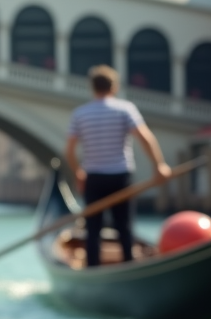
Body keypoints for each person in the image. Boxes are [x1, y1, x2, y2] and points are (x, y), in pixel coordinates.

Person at [64, 65, 170, 266]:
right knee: (124, 227)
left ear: (92, 88)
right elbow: (145, 138)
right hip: (120, 176)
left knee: (92, 229)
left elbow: (69, 151)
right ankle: (128, 264)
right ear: (114, 87)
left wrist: (79, 173)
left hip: (93, 178)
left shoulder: (80, 114)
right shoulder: (125, 109)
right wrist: (159, 165)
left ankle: (92, 268)